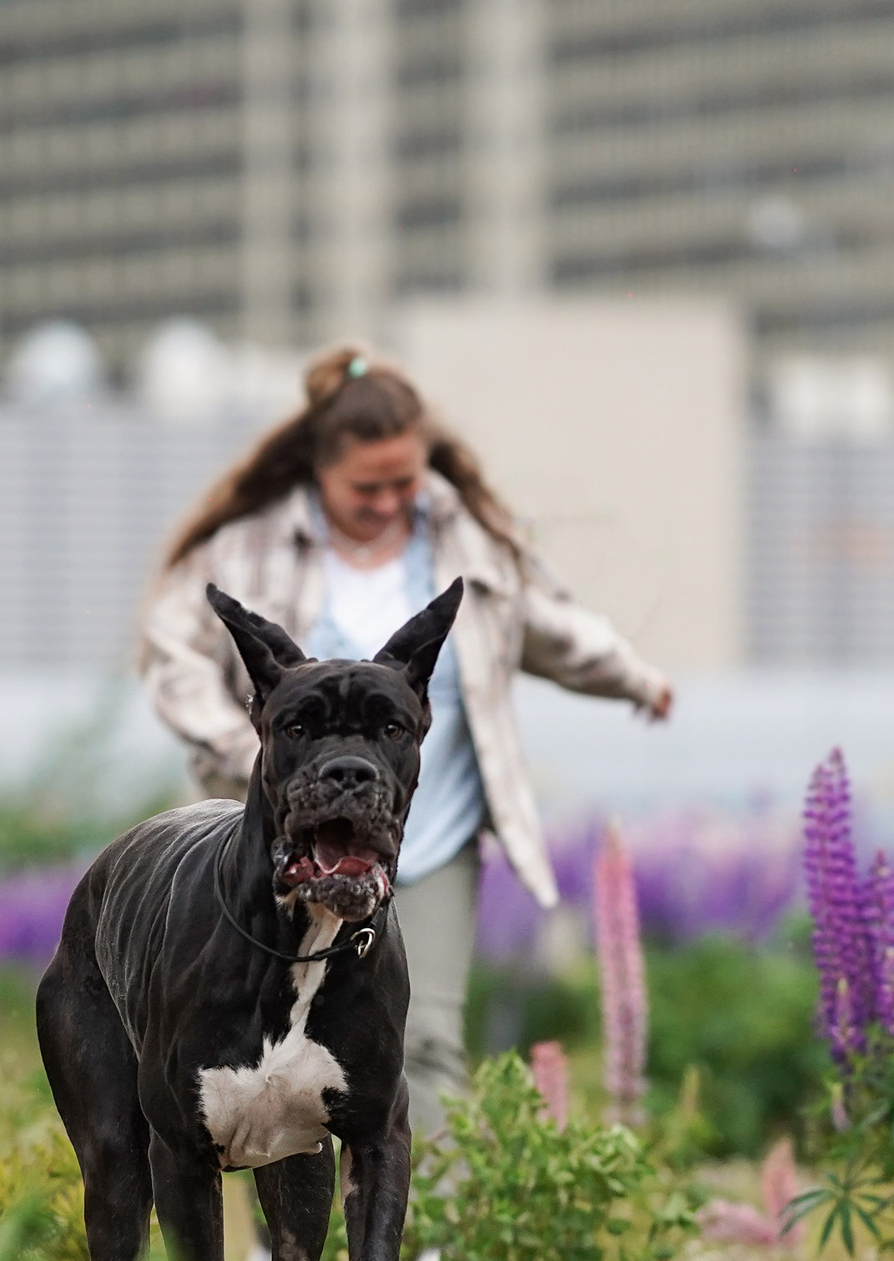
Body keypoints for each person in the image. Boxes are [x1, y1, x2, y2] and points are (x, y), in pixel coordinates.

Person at [140, 344, 672, 1138]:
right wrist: (240, 747)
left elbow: (553, 627)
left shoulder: (470, 546)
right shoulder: (249, 546)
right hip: (279, 841)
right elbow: (172, 652)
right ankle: (266, 1211)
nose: (389, 502)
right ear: (319, 466)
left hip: (427, 838)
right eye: (366, 487)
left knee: (419, 1041)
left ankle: (428, 1218)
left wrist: (635, 678)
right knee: (255, 1048)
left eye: (404, 482)